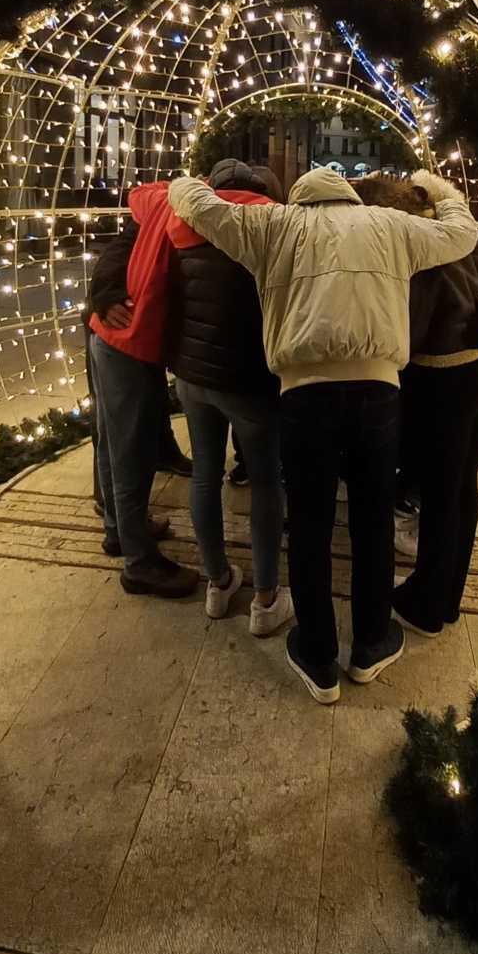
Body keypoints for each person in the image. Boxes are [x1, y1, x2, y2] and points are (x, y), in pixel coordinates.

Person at [168, 165, 478, 703]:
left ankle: (317, 656)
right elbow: (462, 233)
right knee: (371, 521)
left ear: (301, 196)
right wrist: (438, 187)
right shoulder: (389, 226)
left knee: (309, 525)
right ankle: (371, 644)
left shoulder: (272, 227)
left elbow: (198, 206)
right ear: (347, 195)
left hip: (303, 396)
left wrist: (185, 179)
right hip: (378, 392)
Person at [352, 175, 478, 637]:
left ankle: (427, 603)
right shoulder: (458, 231)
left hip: (444, 379)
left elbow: (409, 337)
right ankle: (448, 595)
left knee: (440, 492)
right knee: (462, 485)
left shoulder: (417, 250)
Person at [167, 158, 293, 634]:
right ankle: (265, 599)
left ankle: (217, 584)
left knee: (205, 473)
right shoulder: (272, 230)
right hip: (250, 381)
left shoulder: (183, 229)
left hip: (193, 375)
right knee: (265, 482)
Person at [86, 185, 199, 597]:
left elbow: (113, 254)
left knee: (112, 442)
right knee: (129, 453)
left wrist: (104, 295)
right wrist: (106, 295)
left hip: (110, 338)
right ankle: (139, 563)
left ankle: (119, 531)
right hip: (128, 344)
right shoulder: (193, 216)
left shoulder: (155, 207)